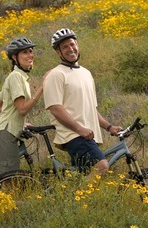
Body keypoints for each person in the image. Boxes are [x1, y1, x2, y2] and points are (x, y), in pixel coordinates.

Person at [43, 28, 121, 175]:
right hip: (74, 135)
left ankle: (75, 195)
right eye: (64, 47)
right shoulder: (56, 75)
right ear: (58, 52)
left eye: (72, 44)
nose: (70, 49)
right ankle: (81, 198)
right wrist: (79, 129)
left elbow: (91, 109)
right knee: (102, 166)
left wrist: (109, 127)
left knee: (82, 176)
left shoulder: (86, 73)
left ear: (77, 45)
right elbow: (55, 108)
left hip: (88, 135)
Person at [0, 37, 43, 179]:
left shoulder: (18, 77)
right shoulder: (15, 77)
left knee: (8, 182)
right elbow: (22, 109)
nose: (30, 55)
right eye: (25, 52)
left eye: (31, 51)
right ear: (14, 57)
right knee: (8, 182)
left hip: (5, 134)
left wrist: (19, 123)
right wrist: (41, 89)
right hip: (5, 136)